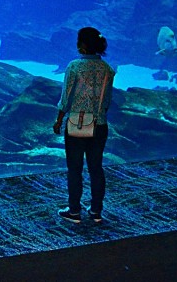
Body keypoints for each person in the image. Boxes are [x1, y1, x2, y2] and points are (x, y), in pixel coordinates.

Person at [52, 27, 115, 224]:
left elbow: (66, 97)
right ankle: (96, 210)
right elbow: (106, 101)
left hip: (78, 124)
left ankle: (74, 211)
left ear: (83, 44)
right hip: (100, 124)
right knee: (96, 167)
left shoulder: (74, 67)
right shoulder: (107, 69)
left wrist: (59, 119)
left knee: (75, 168)